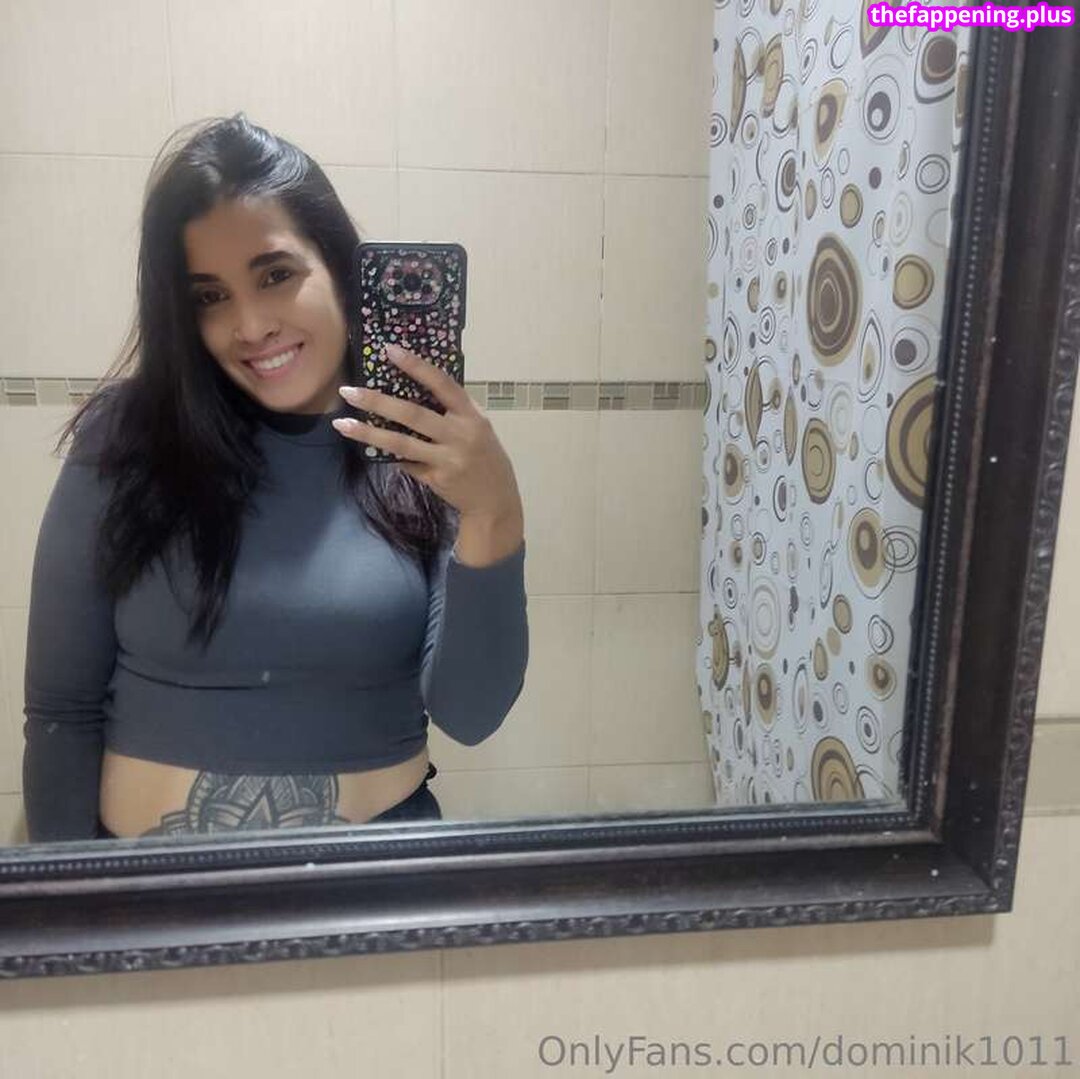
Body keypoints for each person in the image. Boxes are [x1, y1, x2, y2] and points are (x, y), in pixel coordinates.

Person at [21, 113, 528, 842]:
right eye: (209, 296)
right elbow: (61, 713)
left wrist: (494, 513)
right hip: (142, 891)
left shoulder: (420, 446)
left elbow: (471, 713)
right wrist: (74, 899)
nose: (251, 325)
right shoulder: (127, 439)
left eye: (276, 275)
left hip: (374, 892)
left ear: (341, 268)